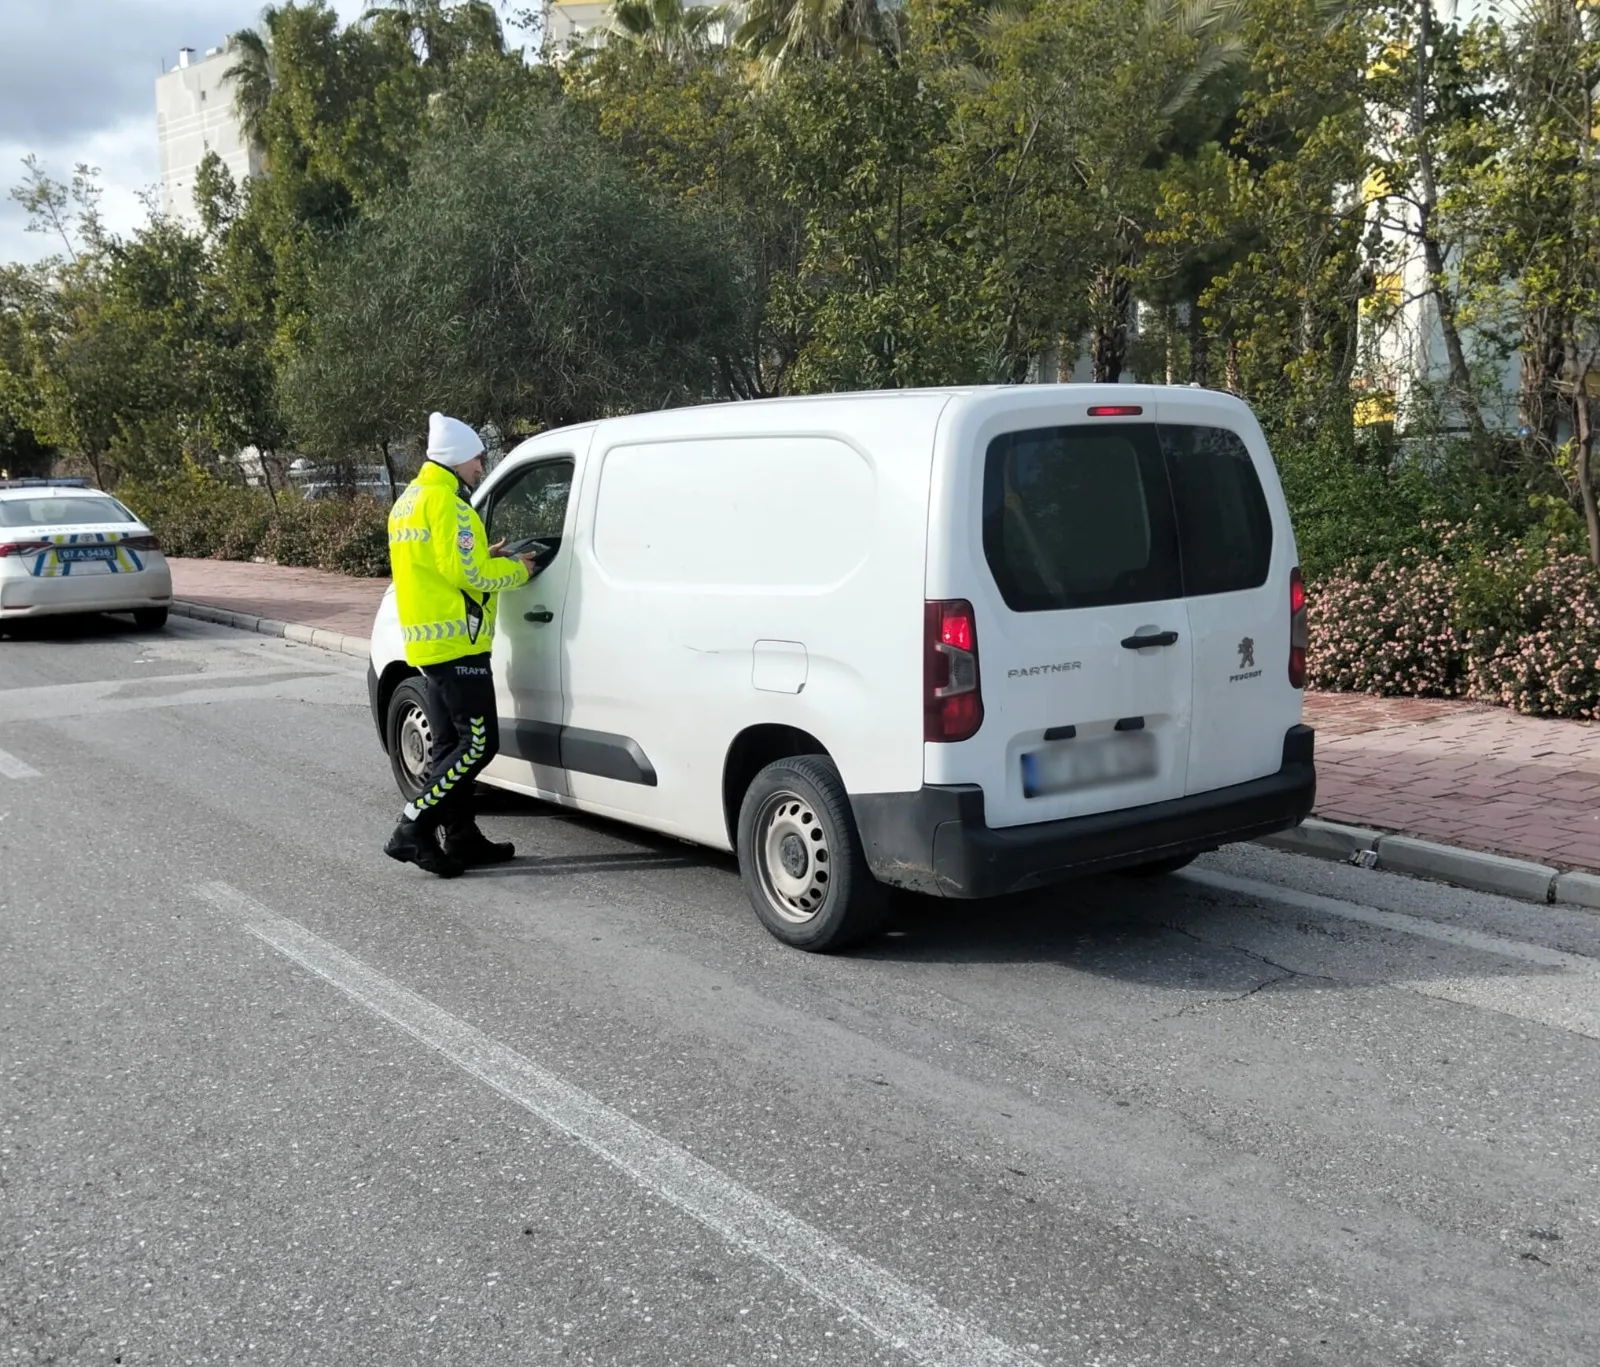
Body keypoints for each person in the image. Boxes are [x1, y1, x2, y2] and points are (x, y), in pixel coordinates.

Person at [384, 412, 539, 878]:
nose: (480, 466)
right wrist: (519, 571)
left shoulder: (409, 502)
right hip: (458, 643)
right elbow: (468, 576)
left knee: (449, 742)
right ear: (456, 458)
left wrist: (481, 554)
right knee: (477, 744)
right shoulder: (452, 507)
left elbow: (439, 566)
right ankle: (411, 827)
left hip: (428, 643)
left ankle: (461, 835)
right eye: (476, 457)